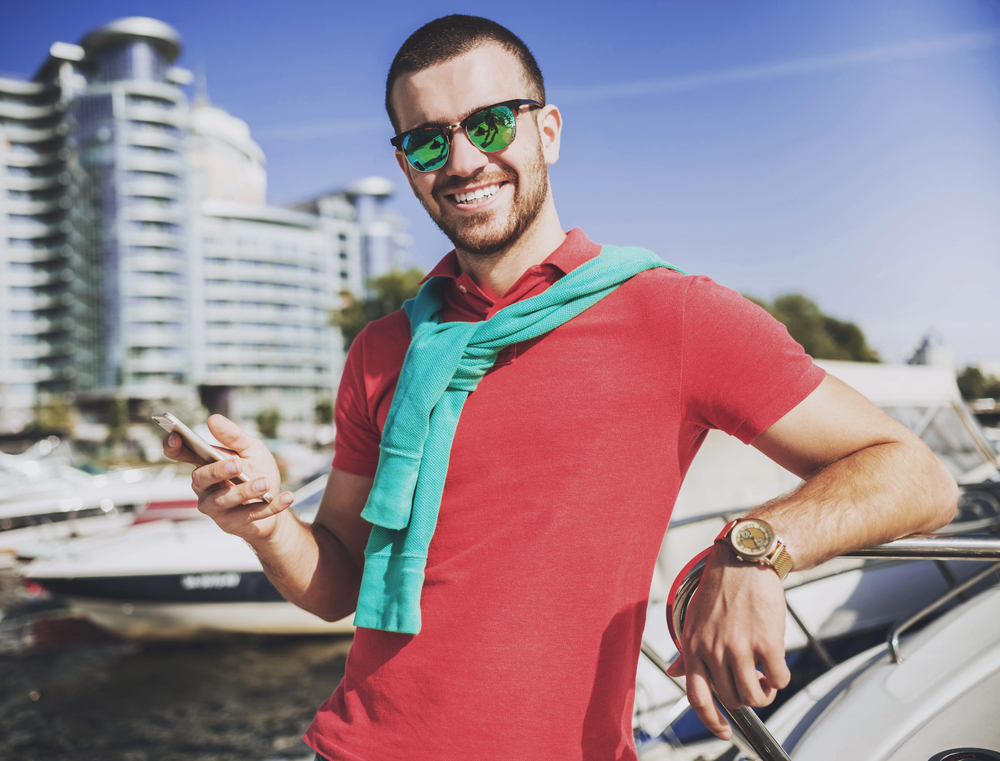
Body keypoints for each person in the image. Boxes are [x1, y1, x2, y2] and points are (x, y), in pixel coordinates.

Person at [163, 14, 958, 761]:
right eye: (430, 141)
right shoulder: (382, 350)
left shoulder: (672, 313)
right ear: (407, 167)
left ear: (547, 130)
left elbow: (916, 473)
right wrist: (265, 520)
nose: (465, 160)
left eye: (489, 124)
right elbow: (337, 584)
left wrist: (752, 551)